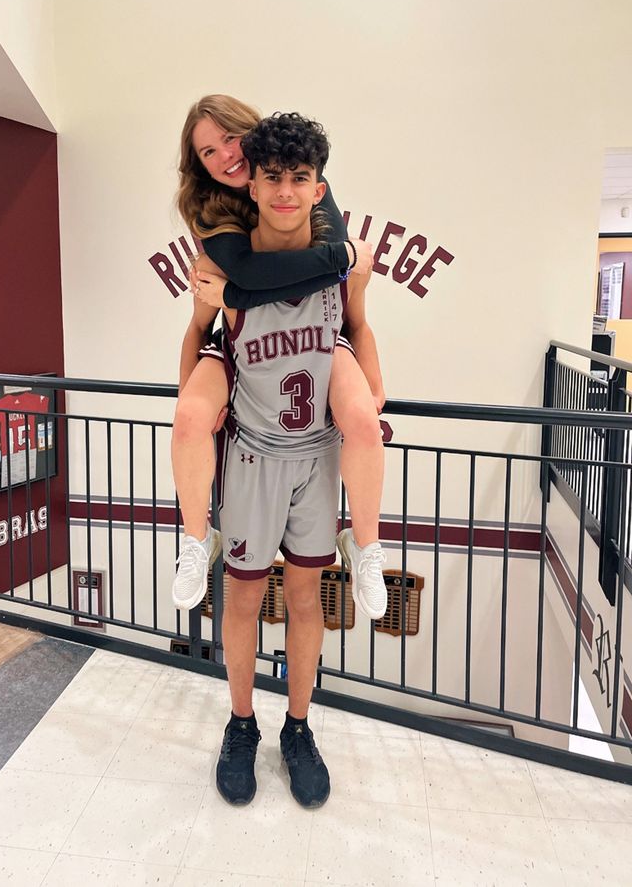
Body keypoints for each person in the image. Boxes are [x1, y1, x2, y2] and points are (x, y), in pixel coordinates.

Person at [190, 112, 374, 808]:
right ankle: (242, 723)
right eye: (275, 177)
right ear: (255, 186)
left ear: (318, 186)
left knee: (304, 598)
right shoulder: (223, 269)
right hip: (254, 457)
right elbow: (197, 349)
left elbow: (360, 336)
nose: (288, 190)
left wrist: (370, 400)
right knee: (240, 596)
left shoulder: (338, 264)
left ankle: (298, 727)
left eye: (301, 178)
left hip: (317, 458)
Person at [170, 95, 388, 620]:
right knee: (190, 417)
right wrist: (234, 301)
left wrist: (374, 386)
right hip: (241, 345)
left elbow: (345, 294)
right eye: (207, 151)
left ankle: (366, 545)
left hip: (314, 345)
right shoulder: (211, 214)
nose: (225, 155)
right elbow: (247, 281)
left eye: (230, 139)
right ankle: (197, 540)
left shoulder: (299, 186)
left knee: (361, 418)